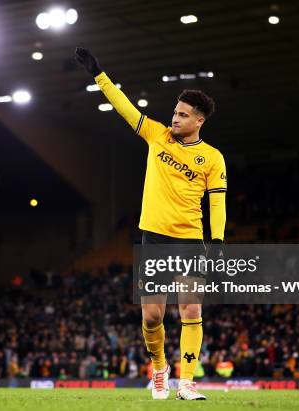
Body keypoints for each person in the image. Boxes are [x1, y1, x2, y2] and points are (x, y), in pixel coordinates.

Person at [75, 47, 227, 401]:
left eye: (183, 115)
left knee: (190, 309)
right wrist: (98, 74)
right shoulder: (156, 135)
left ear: (199, 121)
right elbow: (124, 107)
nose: (174, 118)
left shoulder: (213, 158)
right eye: (175, 112)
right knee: (152, 319)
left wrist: (217, 240)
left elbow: (217, 201)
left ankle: (187, 381)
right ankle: (159, 368)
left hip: (189, 240)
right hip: (154, 239)